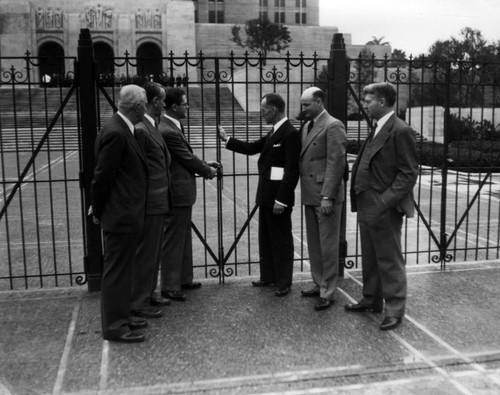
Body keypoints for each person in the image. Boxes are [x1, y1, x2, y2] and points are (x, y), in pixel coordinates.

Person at [346, 82, 418, 331]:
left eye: (369, 100)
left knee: (389, 259)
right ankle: (371, 299)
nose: (364, 103)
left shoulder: (400, 130)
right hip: (367, 203)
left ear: (383, 102)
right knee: (370, 256)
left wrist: (384, 200)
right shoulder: (378, 127)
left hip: (383, 206)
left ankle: (395, 310)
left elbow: (408, 174)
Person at [218, 93, 301, 297]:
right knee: (266, 237)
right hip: (265, 195)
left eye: (263, 111)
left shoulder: (289, 133)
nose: (261, 114)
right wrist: (227, 139)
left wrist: (281, 199)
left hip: (278, 199)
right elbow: (252, 147)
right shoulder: (275, 131)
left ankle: (284, 281)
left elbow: (291, 170)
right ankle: (269, 276)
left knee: (281, 239)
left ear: (273, 110)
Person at [90, 85, 148, 343]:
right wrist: (98, 209)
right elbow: (103, 176)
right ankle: (115, 326)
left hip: (128, 212)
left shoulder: (124, 128)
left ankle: (124, 316)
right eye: (144, 105)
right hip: (120, 214)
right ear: (137, 107)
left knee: (125, 270)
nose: (146, 109)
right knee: (116, 272)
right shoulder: (116, 132)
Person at [159, 88, 219, 301]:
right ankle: (170, 285)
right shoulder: (168, 130)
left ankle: (183, 279)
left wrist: (204, 163)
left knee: (182, 237)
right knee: (174, 240)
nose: (188, 107)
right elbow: (185, 158)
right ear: (174, 107)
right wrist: (207, 170)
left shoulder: (173, 126)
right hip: (177, 192)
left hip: (182, 192)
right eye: (185, 104)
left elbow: (184, 157)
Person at [298, 87, 347, 311]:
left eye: (307, 105)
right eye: (302, 104)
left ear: (319, 102)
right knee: (315, 244)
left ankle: (328, 291)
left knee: (328, 245)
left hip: (325, 195)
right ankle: (319, 283)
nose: (303, 109)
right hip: (310, 193)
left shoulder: (333, 125)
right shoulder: (308, 126)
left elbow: (336, 163)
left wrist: (328, 195)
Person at [130, 82, 172, 319]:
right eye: (163, 100)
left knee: (154, 252)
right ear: (155, 102)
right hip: (149, 202)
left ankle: (149, 291)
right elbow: (139, 170)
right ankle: (138, 301)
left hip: (159, 200)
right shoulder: (141, 130)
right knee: (146, 254)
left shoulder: (151, 126)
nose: (164, 104)